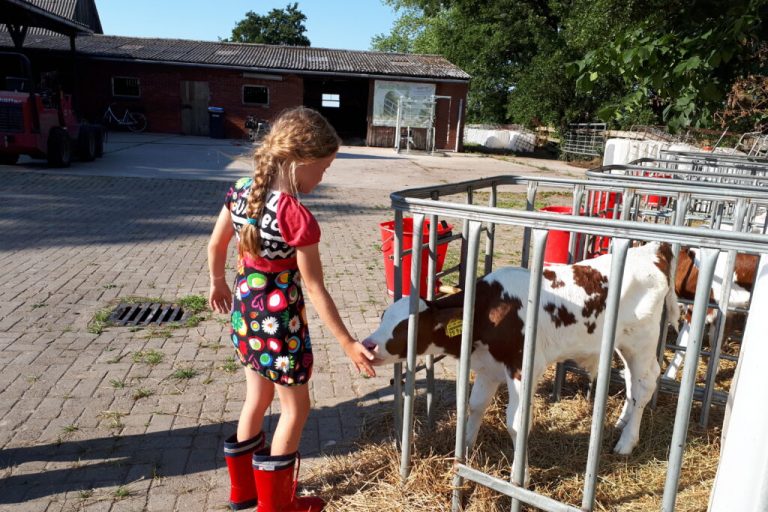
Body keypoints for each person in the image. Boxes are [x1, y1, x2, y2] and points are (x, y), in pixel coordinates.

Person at [207, 106, 376, 512]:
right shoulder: (295, 216)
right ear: (301, 161)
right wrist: (347, 342)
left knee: (256, 399)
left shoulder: (241, 190)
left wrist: (217, 282)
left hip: (246, 314)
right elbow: (314, 288)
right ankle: (277, 506)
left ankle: (243, 493)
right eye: (324, 168)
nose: (323, 177)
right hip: (279, 325)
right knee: (296, 407)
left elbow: (216, 244)